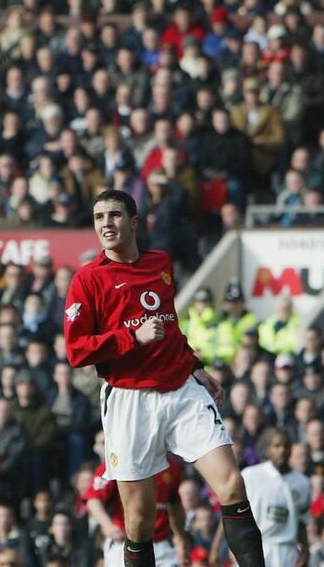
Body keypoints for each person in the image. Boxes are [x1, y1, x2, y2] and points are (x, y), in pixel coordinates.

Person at [63, 189, 264, 567]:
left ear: (134, 222)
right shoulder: (87, 280)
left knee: (233, 484)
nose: (106, 223)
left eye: (114, 215)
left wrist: (194, 365)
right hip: (128, 400)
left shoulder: (160, 263)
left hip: (181, 390)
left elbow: (170, 325)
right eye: (99, 217)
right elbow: (76, 351)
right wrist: (130, 337)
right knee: (138, 524)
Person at [83, 455, 190, 567]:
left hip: (161, 544)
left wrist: (180, 538)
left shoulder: (172, 466)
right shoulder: (118, 459)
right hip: (124, 544)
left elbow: (175, 504)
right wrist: (108, 525)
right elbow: (93, 498)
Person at [239, 430, 309, 567]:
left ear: (291, 449)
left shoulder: (302, 482)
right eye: (277, 446)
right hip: (257, 547)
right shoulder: (251, 475)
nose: (282, 450)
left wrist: (306, 550)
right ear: (268, 449)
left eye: (286, 446)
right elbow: (234, 511)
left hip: (287, 550)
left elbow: (301, 520)